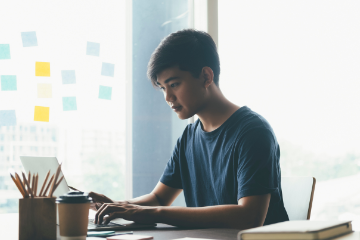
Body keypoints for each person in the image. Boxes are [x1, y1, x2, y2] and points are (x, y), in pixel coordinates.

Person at [90, 29, 289, 229]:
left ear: (206, 77)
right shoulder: (189, 137)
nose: (168, 97)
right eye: (162, 88)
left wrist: (154, 213)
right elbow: (159, 198)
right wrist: (114, 206)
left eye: (174, 84)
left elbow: (249, 217)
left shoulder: (253, 132)